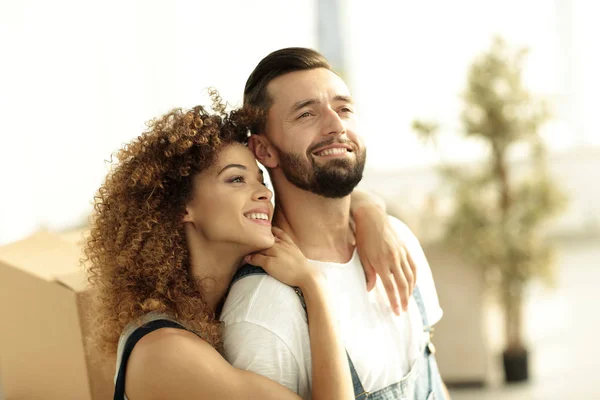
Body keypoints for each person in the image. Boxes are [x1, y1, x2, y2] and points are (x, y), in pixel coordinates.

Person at [85, 96, 416, 400]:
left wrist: (368, 209)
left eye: (260, 180)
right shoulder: (165, 351)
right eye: (236, 180)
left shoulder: (207, 315)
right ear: (181, 208)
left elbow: (324, 207)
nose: (263, 194)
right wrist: (314, 287)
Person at [220, 48, 451, 400]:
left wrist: (370, 208)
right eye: (307, 114)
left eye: (344, 109)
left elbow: (434, 381)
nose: (336, 125)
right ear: (264, 150)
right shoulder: (262, 309)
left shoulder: (397, 242)